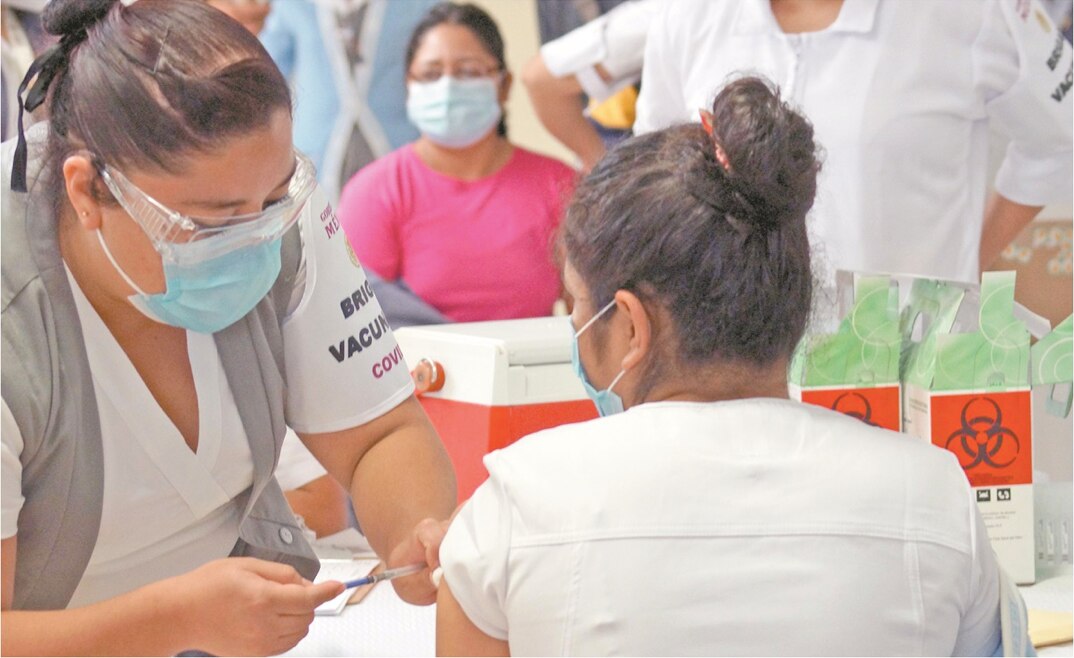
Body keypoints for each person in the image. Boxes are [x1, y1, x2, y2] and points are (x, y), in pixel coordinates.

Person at [435, 77, 1031, 656]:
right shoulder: (934, 497)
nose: (574, 331)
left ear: (632, 326)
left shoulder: (516, 505)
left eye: (578, 307)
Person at [0, 1, 456, 655]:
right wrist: (167, 622)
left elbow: (376, 434)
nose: (253, 238)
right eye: (211, 222)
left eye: (271, 205)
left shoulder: (265, 189)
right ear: (87, 193)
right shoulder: (14, 320)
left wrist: (418, 529)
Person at [631, 0, 1072, 320]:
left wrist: (966, 261)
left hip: (908, 366)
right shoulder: (689, 15)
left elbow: (1062, 139)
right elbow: (658, 170)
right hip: (736, 367)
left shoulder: (974, 12)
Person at [338, 2, 576, 324]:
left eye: (467, 72)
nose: (447, 87)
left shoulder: (559, 185)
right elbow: (357, 324)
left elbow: (590, 320)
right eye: (431, 74)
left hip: (532, 369)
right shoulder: (374, 192)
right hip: (418, 371)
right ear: (409, 87)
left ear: (504, 85)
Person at [522, 0, 659, 172]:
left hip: (664, 143)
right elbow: (543, 79)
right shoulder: (554, 5)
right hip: (609, 141)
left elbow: (541, 78)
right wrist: (601, 170)